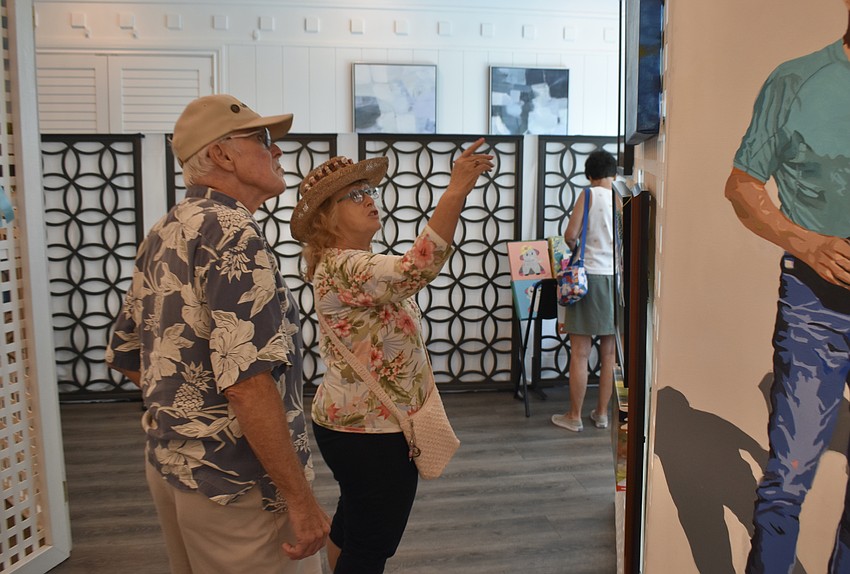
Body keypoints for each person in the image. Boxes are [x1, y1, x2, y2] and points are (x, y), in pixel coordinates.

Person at [105, 94, 330, 574]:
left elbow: (128, 354)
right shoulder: (233, 232)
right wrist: (301, 500)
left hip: (172, 465)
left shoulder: (165, 228)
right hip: (238, 481)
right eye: (265, 141)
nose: (278, 152)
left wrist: (189, 416)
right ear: (224, 154)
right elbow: (248, 385)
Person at [290, 139, 493, 573]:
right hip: (371, 432)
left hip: (358, 426)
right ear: (327, 216)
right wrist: (455, 191)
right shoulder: (344, 264)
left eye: (370, 192)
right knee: (369, 549)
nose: (369, 200)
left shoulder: (348, 263)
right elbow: (415, 268)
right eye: (355, 195)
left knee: (353, 530)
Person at [725, 3, 850, 571]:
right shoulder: (797, 79)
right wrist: (806, 242)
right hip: (816, 306)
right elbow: (742, 186)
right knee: (789, 478)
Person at [551, 149, 619, 433]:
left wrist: (575, 248)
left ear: (590, 175)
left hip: (586, 279)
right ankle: (602, 414)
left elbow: (570, 234)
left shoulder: (589, 195)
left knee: (579, 352)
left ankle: (574, 416)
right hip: (614, 280)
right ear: (613, 173)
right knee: (609, 354)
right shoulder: (623, 196)